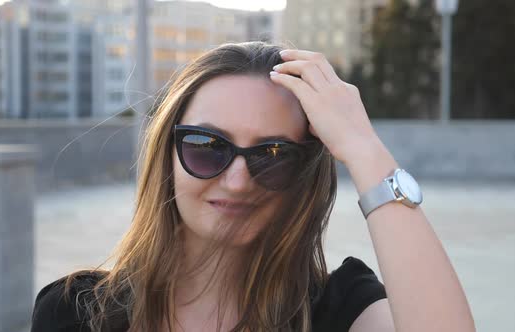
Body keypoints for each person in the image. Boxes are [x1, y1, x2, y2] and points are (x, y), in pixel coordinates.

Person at [31, 41, 475, 332]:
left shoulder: (338, 311)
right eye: (207, 146)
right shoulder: (75, 312)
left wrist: (363, 147)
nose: (238, 180)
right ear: (166, 155)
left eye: (274, 155)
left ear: (305, 173)